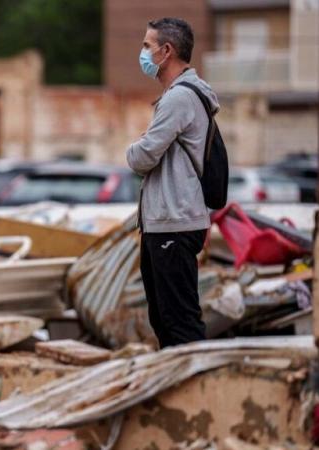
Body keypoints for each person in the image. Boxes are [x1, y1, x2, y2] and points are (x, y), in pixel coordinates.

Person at [126, 17, 219, 348]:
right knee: (164, 319)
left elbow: (142, 157)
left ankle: (197, 391)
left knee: (179, 322)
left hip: (174, 224)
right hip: (165, 222)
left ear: (167, 51)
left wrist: (135, 146)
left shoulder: (179, 98)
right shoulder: (178, 97)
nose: (142, 53)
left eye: (147, 46)